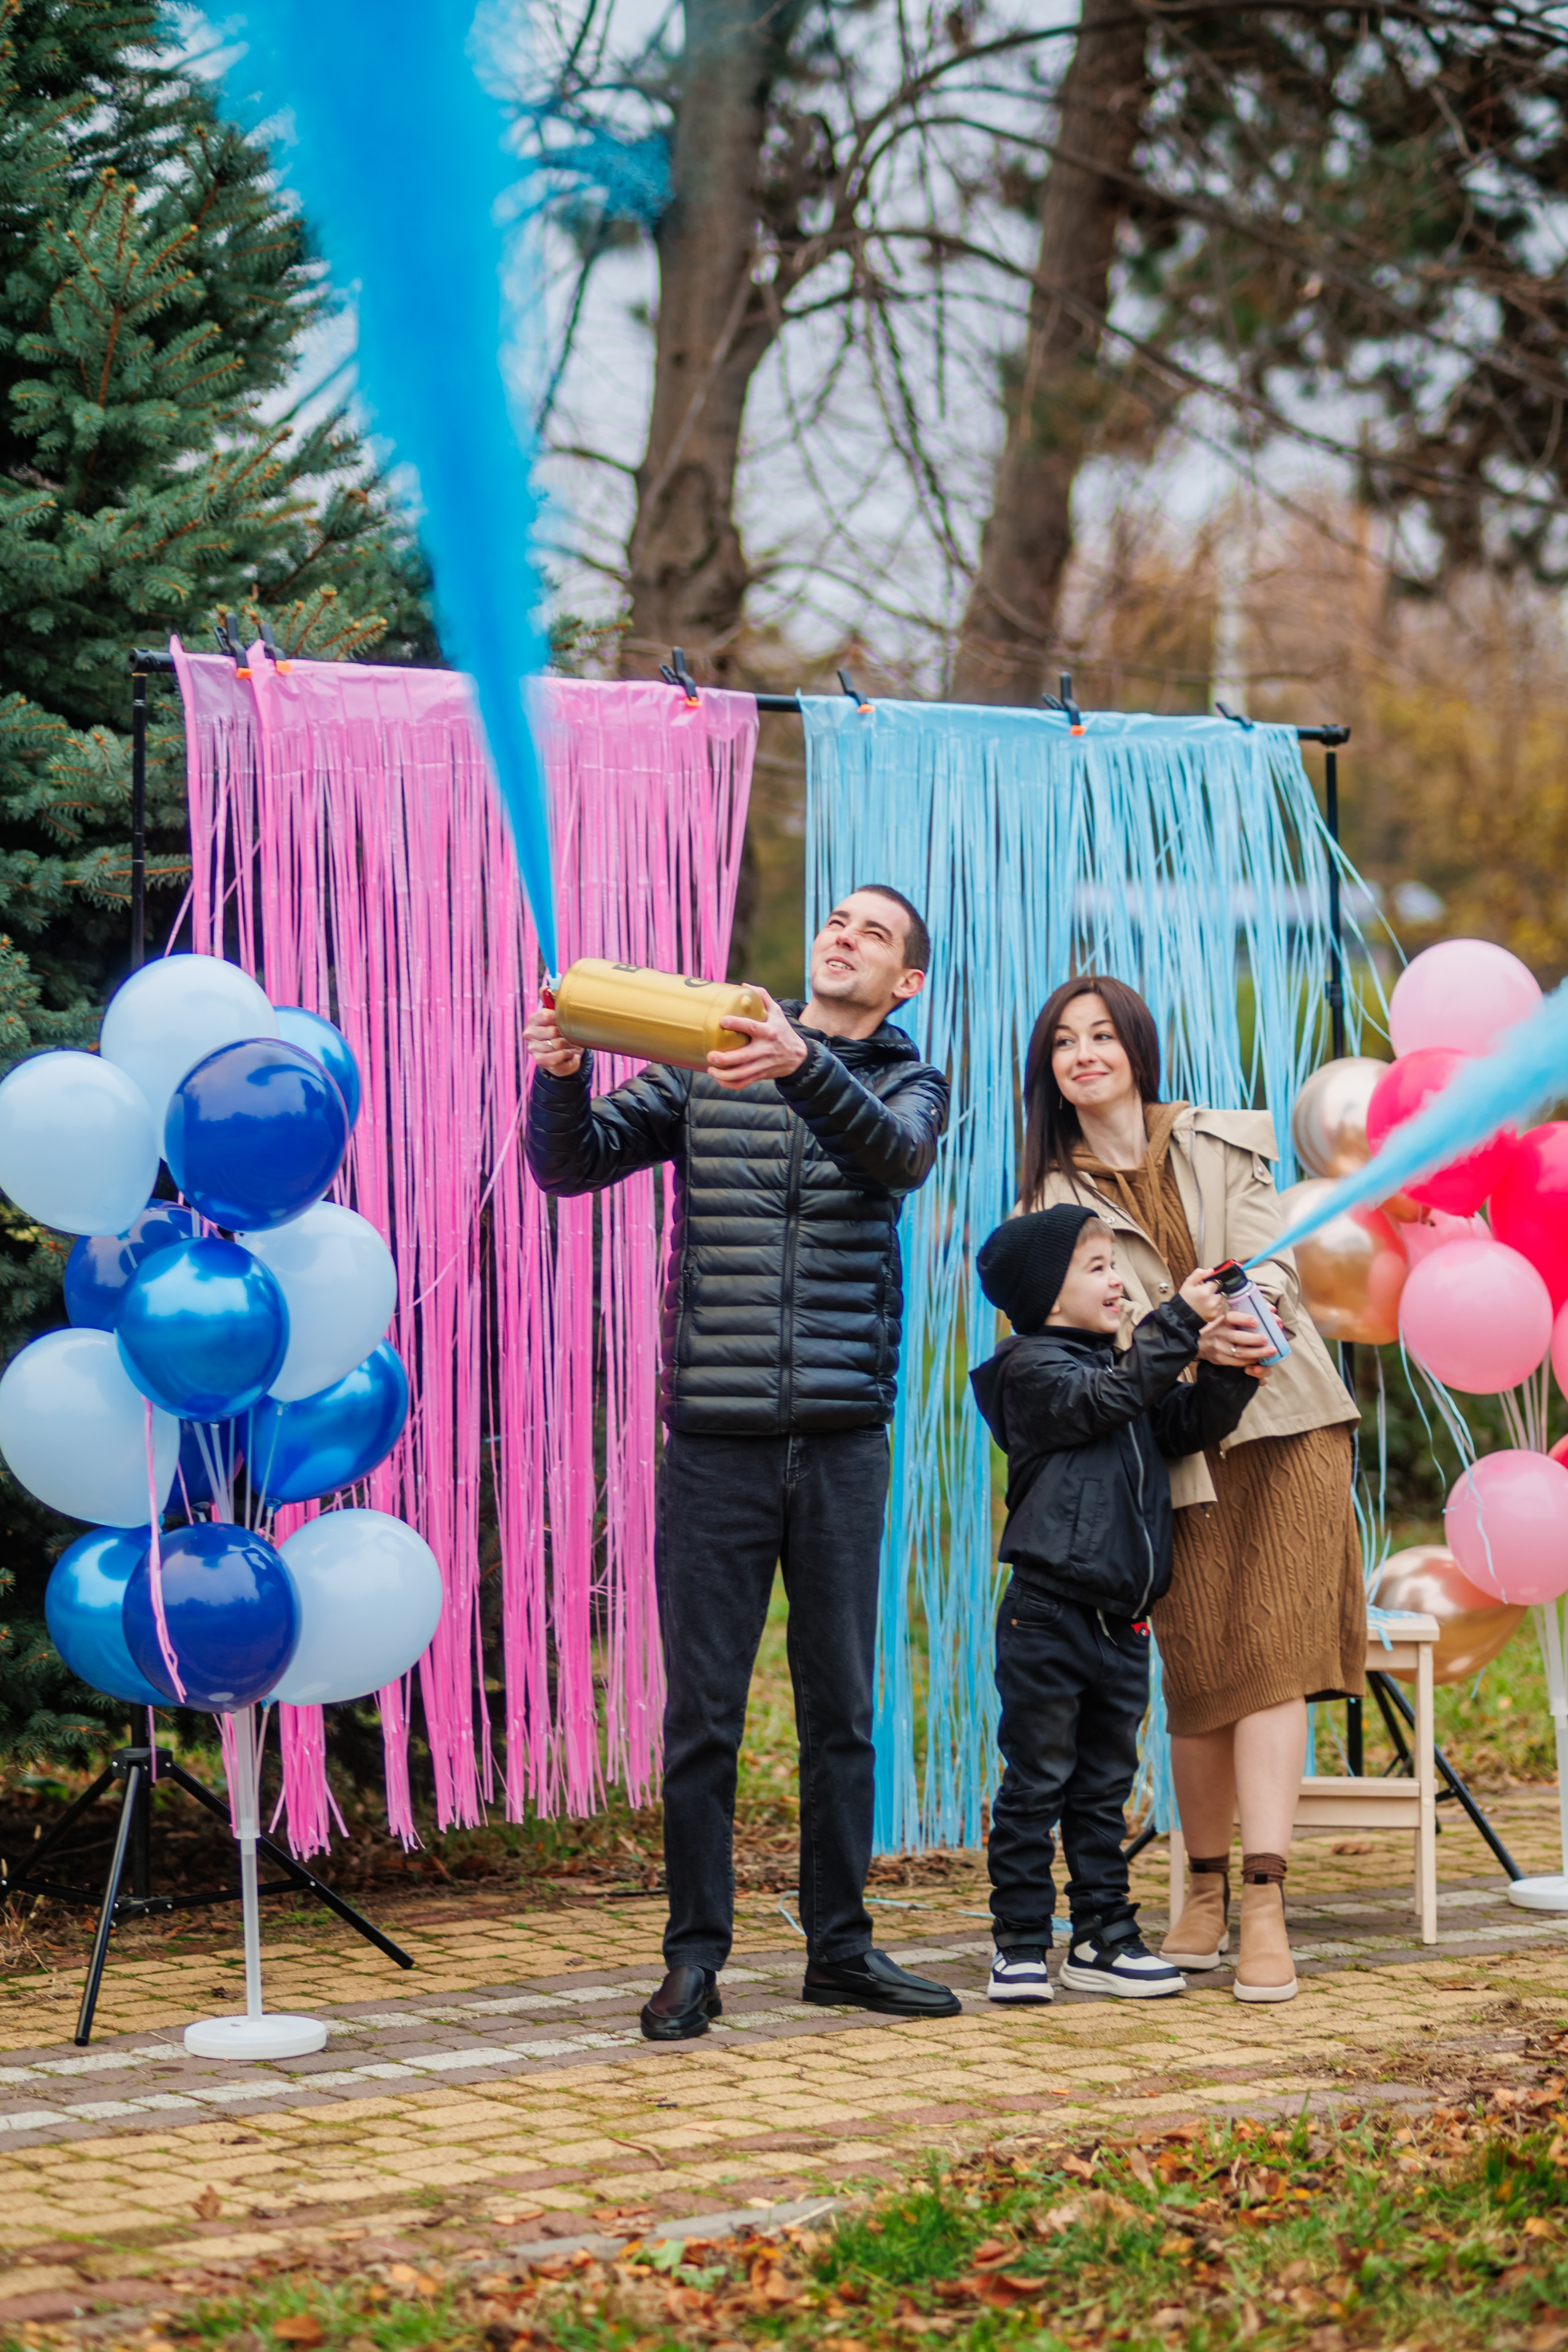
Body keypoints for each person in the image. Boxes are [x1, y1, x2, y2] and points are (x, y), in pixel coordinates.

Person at [524, 887, 961, 2041]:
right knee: (703, 1717)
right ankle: (692, 1961)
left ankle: (844, 1952)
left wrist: (798, 1064)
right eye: (834, 921)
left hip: (839, 1439)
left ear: (904, 980)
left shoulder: (909, 1081)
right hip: (711, 1443)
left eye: (874, 933)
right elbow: (571, 1168)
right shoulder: (703, 1063)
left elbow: (897, 1159)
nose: (843, 936)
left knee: (840, 1711)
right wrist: (563, 1073)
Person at [1019, 976, 1363, 2004]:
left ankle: (1263, 1898)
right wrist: (1179, 1343)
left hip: (1289, 1426)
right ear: (1051, 1072)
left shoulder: (1219, 1139)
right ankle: (1200, 1887)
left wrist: (1239, 1324)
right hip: (1168, 1447)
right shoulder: (1045, 1204)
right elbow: (1070, 1336)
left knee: (1272, 1662)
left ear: (1135, 1048)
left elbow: (1279, 1272)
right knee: (1202, 1668)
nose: (1084, 1053)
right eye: (1064, 1042)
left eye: (1101, 1035)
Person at [970, 1205, 1257, 2003]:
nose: (1118, 1280)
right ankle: (1020, 1942)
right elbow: (1104, 1399)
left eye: (1114, 1265)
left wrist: (1233, 1372)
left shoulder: (1122, 1374)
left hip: (1123, 1624)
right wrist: (1175, 1326)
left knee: (1102, 1791)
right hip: (1047, 1616)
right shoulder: (1030, 1370)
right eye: (1096, 1266)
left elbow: (1176, 1421)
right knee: (1036, 1786)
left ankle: (1103, 1937)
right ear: (1044, 1293)